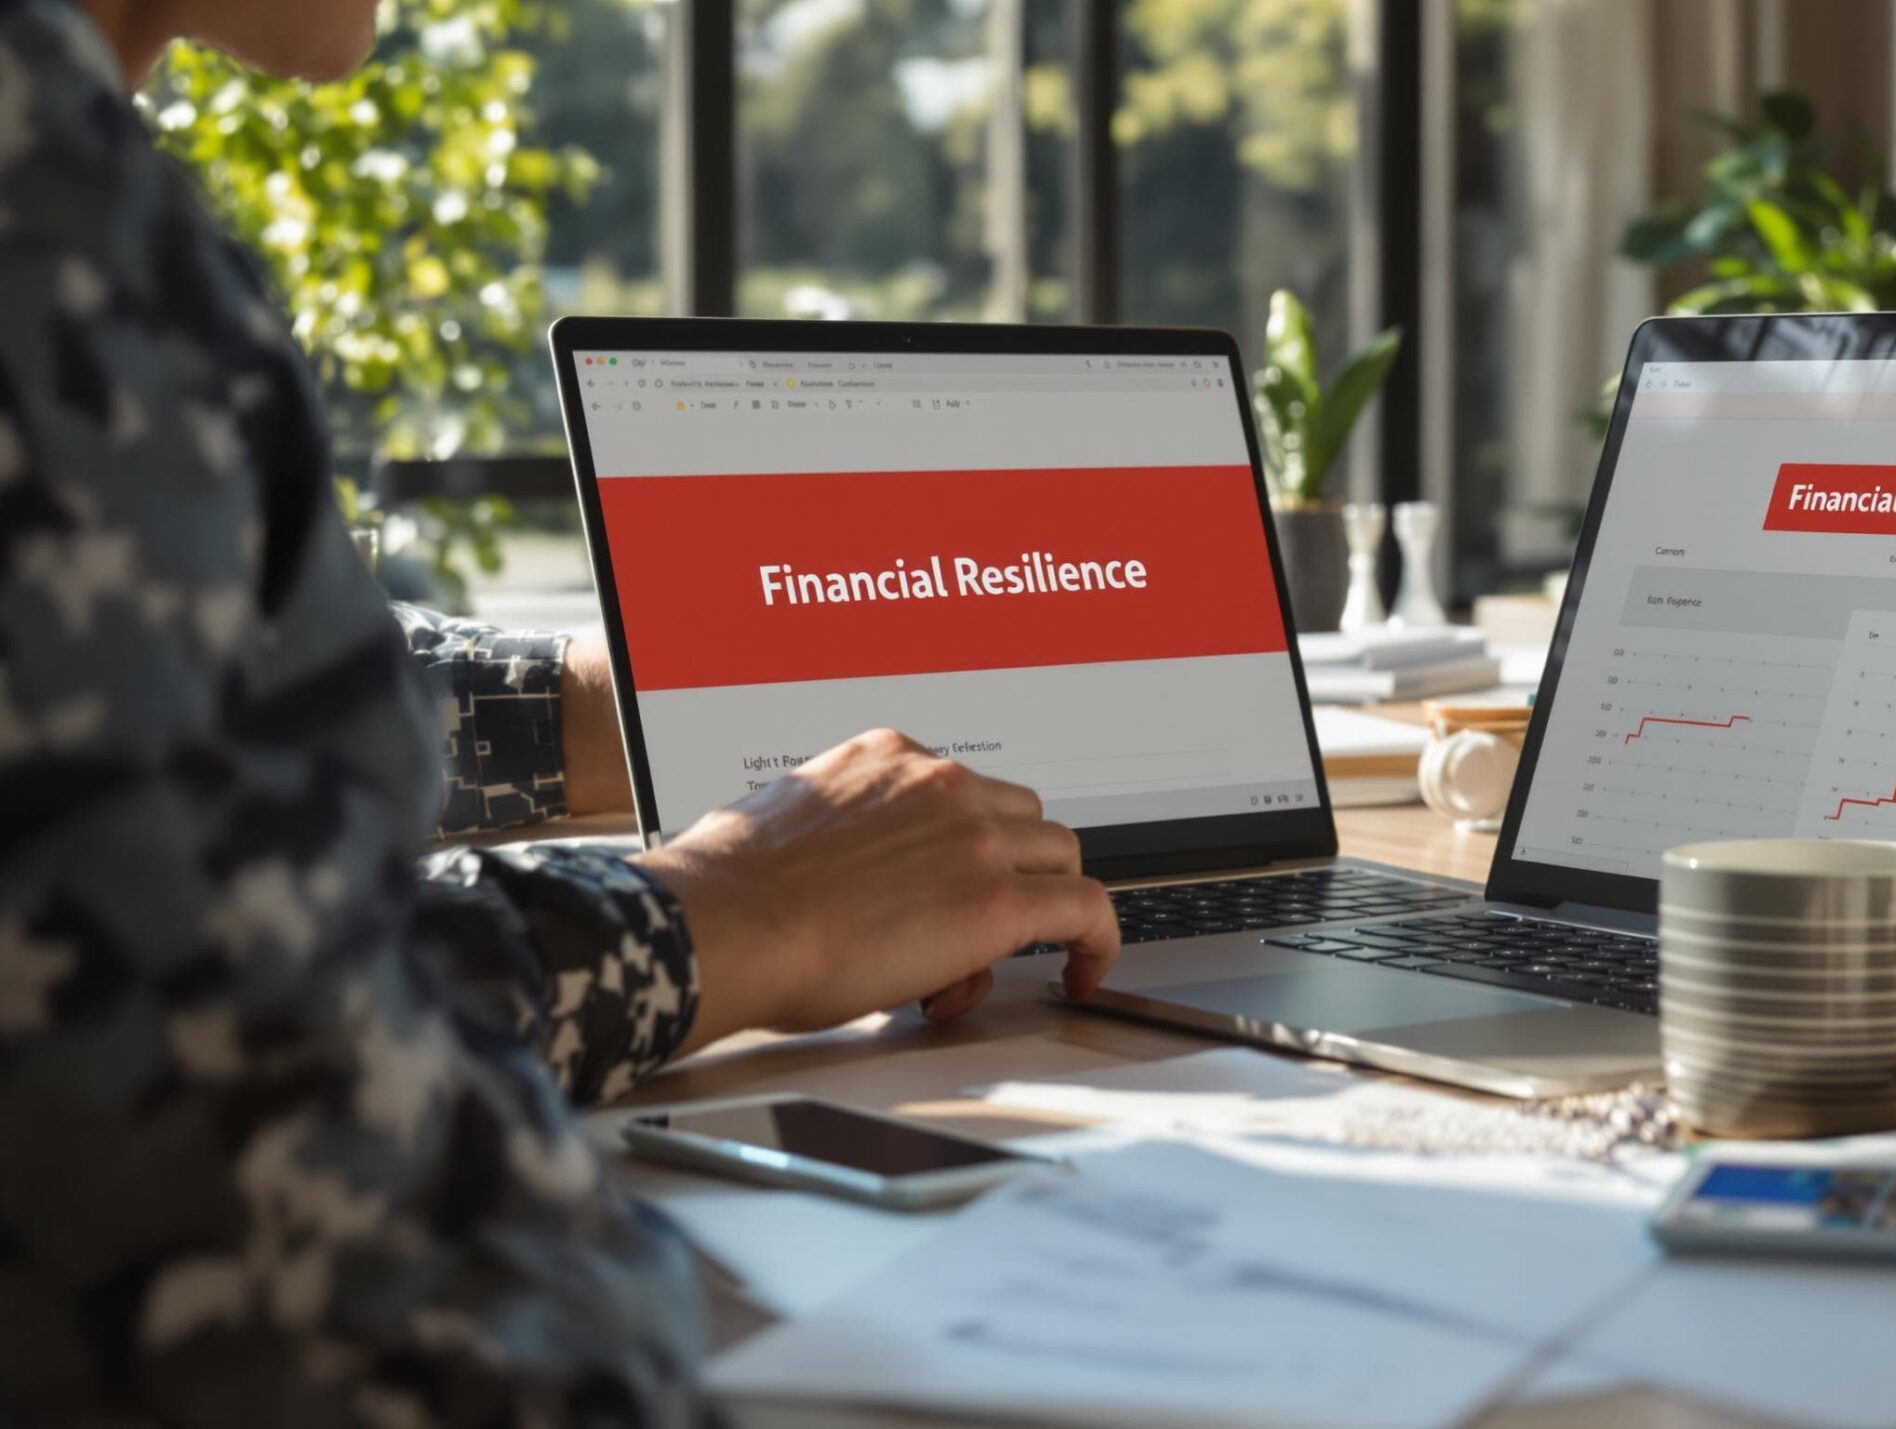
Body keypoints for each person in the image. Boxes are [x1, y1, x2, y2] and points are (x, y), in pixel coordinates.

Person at [0, 0, 1122, 1421]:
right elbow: (241, 1131)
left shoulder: (67, 164)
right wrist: (727, 906)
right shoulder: (44, 228)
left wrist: (619, 706)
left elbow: (180, 716)